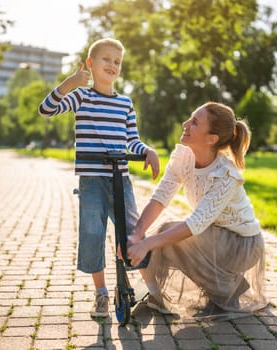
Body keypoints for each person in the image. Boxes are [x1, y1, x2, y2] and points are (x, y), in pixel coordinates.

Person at [38, 38, 160, 318]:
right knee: (92, 235)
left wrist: (148, 151)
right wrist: (70, 83)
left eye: (117, 62)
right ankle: (101, 294)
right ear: (90, 64)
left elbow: (132, 140)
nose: (112, 65)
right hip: (92, 181)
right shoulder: (82, 97)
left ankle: (154, 293)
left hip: (122, 180)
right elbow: (46, 110)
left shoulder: (125, 103)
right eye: (106, 59)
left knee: (133, 233)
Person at [127, 101, 267, 318]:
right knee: (165, 235)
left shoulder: (225, 175)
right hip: (214, 235)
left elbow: (196, 223)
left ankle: (226, 288)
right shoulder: (183, 158)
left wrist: (147, 243)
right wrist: (137, 234)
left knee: (169, 237)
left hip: (242, 244)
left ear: (212, 138)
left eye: (194, 122)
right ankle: (158, 295)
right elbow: (161, 197)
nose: (185, 124)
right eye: (189, 119)